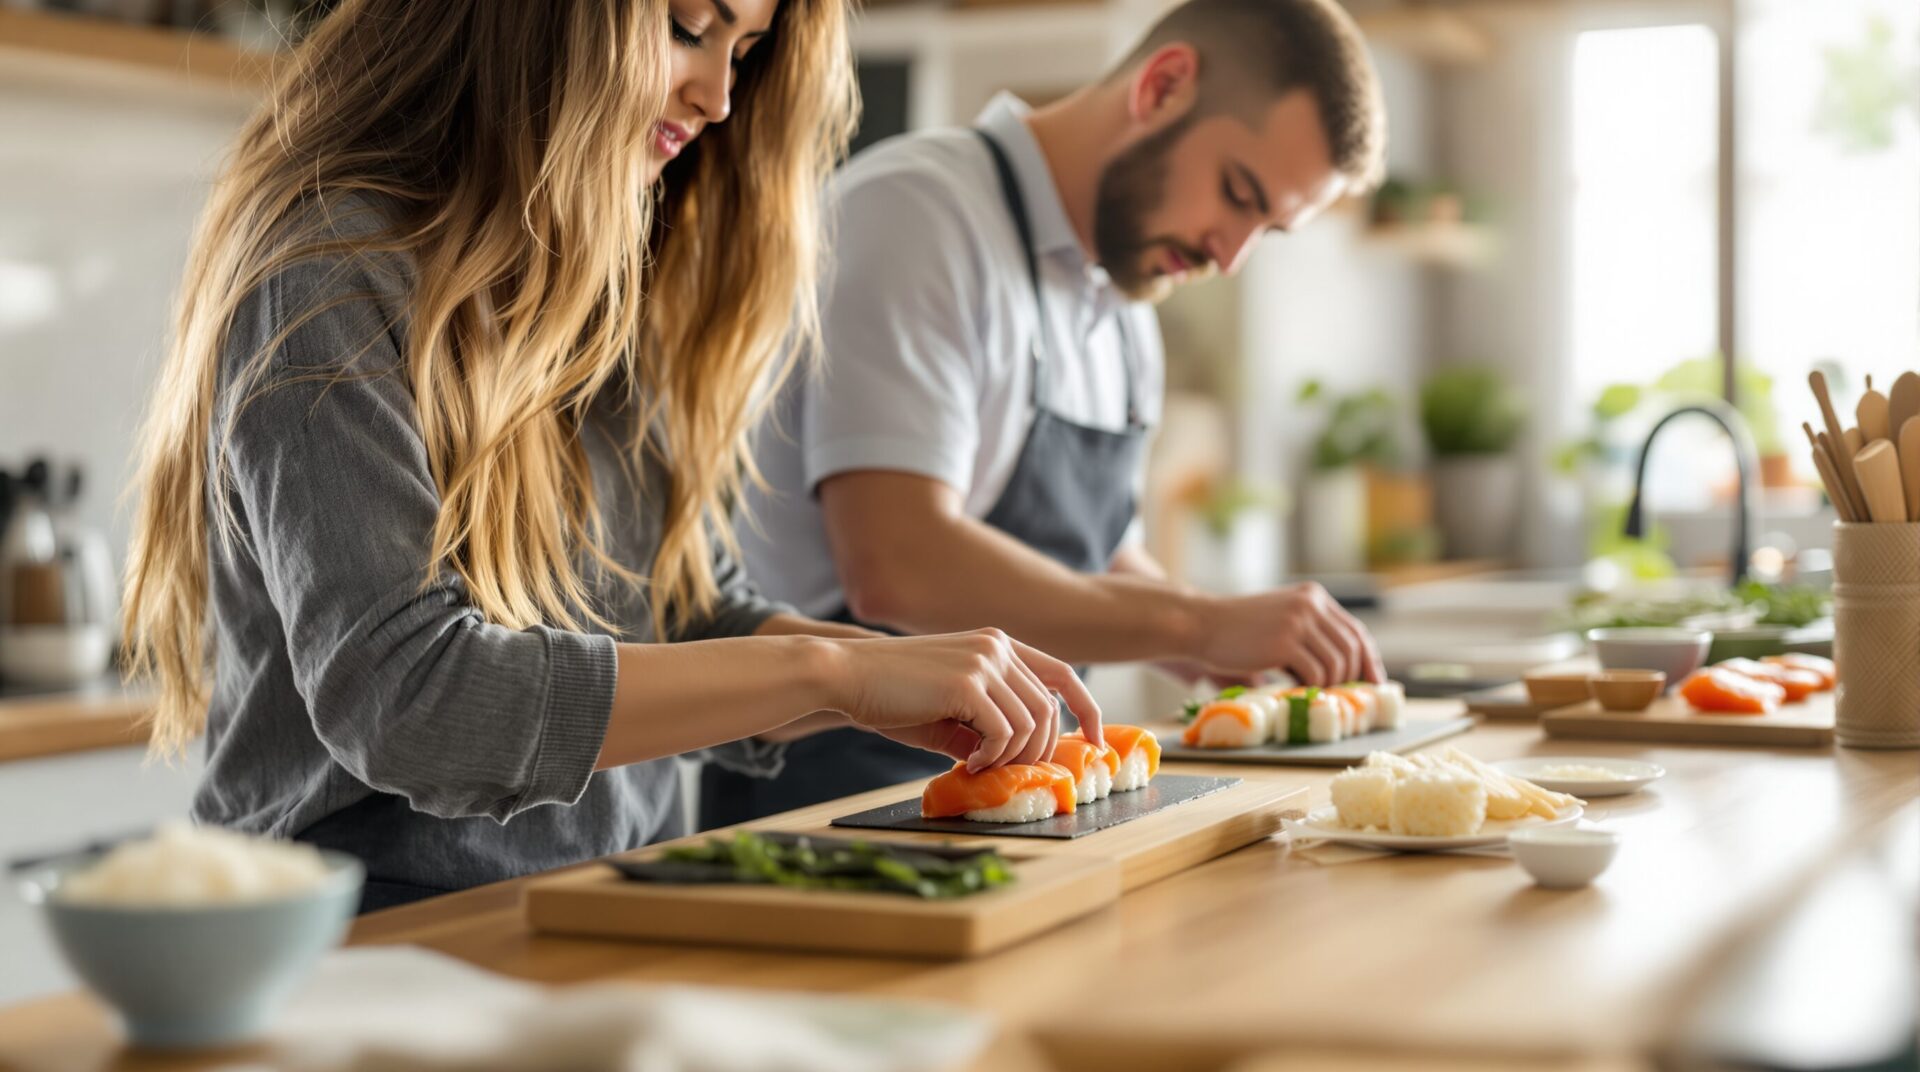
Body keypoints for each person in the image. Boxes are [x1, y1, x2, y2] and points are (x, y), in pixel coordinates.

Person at [119, 0, 1096, 913]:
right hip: (370, 933)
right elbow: (413, 703)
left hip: (596, 904)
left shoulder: (600, 275)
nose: (717, 97)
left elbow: (685, 610)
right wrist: (827, 671)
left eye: (743, 53)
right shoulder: (333, 271)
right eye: (687, 27)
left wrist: (882, 678)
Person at [712, 0, 1388, 826]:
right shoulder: (917, 215)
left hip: (1036, 797)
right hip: (840, 796)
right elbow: (897, 563)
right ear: (1164, 86)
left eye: (1268, 231)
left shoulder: (1128, 309)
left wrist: (1234, 650)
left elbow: (1095, 558)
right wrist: (1201, 623)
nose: (1228, 254)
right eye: (1238, 195)